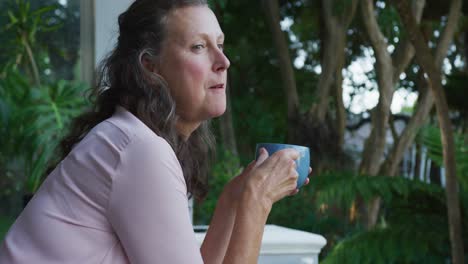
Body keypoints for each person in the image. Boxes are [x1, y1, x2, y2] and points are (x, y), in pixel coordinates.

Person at [0, 0, 310, 263]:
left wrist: (233, 198)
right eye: (199, 47)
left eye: (221, 44)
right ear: (150, 67)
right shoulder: (139, 150)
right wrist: (256, 200)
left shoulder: (129, 138)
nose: (224, 61)